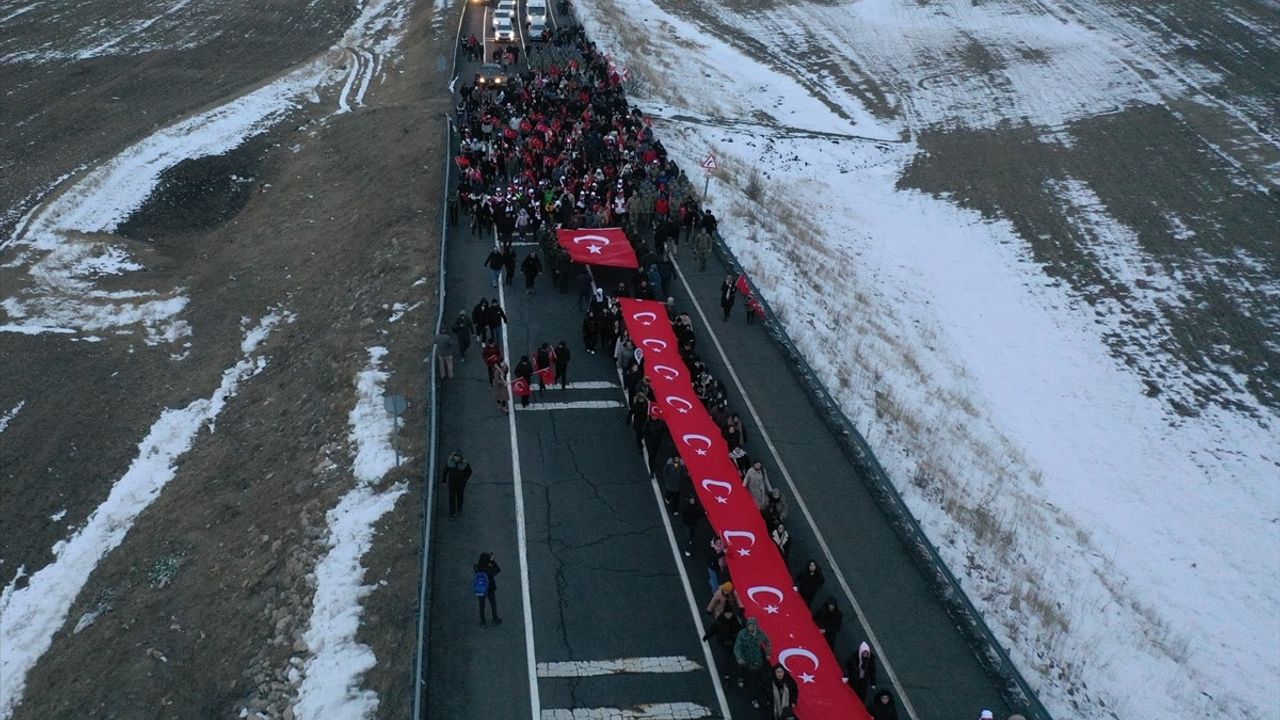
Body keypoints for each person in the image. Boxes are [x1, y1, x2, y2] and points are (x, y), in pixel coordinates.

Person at [700, 604, 742, 681]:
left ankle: (732, 672)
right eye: (727, 614)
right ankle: (727, 675)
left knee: (732, 658)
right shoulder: (719, 622)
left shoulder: (735, 622)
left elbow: (740, 631)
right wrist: (706, 636)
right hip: (722, 643)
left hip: (732, 643)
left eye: (730, 614)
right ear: (724, 613)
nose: (728, 615)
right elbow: (712, 630)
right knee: (725, 658)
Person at [733, 618, 770, 698]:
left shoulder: (760, 634)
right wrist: (739, 658)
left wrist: (767, 653)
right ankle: (741, 678)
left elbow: (767, 642)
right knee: (743, 670)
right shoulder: (742, 634)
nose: (751, 628)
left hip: (756, 659)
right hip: (745, 657)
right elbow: (737, 647)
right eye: (750, 626)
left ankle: (752, 692)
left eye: (753, 626)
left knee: (754, 675)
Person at [441, 451, 473, 518]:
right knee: (451, 499)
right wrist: (443, 481)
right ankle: (451, 514)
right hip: (452, 484)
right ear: (453, 456)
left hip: (461, 485)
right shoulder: (450, 462)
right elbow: (445, 471)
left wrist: (464, 480)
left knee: (460, 497)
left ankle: (459, 510)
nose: (456, 458)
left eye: (458, 456)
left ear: (460, 457)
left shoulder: (464, 464)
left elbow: (469, 472)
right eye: (455, 456)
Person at [474, 552, 502, 626]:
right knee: (493, 604)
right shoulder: (489, 569)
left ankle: (483, 621)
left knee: (482, 605)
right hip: (490, 588)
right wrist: (492, 560)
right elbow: (498, 569)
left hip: (481, 588)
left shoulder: (476, 567)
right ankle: (495, 619)